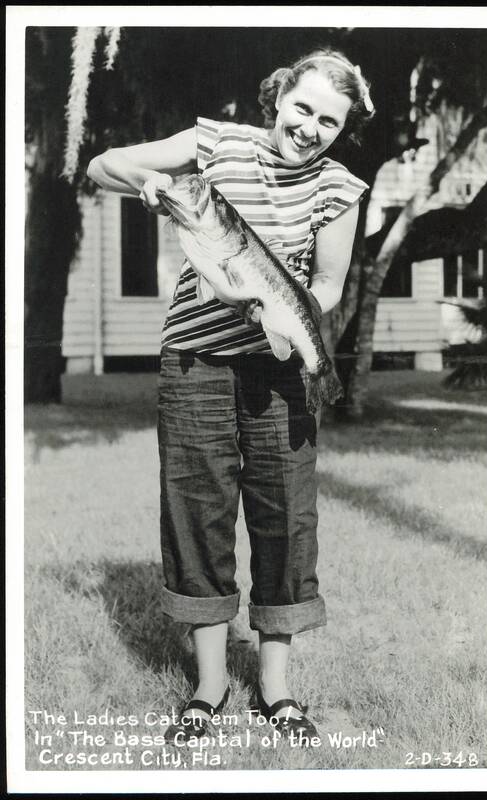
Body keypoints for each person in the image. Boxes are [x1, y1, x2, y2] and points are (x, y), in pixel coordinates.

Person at [87, 48, 374, 742]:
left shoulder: (340, 189)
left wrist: (273, 313)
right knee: (197, 517)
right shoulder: (216, 142)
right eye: (302, 108)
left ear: (341, 131)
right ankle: (209, 686)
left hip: (280, 370)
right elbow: (102, 166)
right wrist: (153, 184)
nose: (309, 127)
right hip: (193, 365)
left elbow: (329, 289)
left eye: (328, 122)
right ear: (279, 96)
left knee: (284, 526)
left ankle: (276, 690)